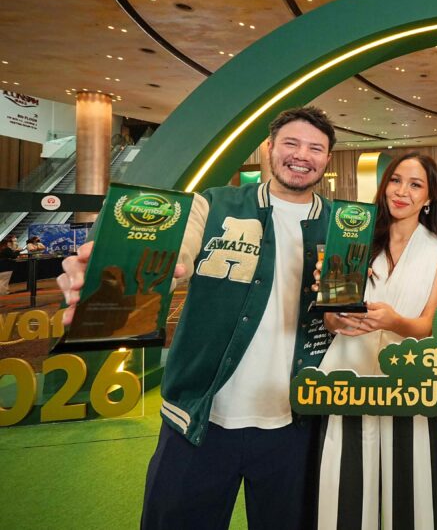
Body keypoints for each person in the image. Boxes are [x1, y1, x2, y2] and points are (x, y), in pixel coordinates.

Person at [58, 106, 335, 530]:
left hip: (297, 423)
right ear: (269, 148)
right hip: (198, 418)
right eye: (291, 143)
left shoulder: (341, 225)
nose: (302, 155)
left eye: (315, 148)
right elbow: (178, 249)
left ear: (327, 159)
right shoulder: (214, 203)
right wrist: (117, 273)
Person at [314, 151, 437, 529]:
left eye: (415, 185)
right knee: (346, 490)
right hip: (349, 377)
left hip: (409, 381)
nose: (402, 191)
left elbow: (429, 325)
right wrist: (336, 313)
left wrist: (395, 322)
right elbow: (330, 318)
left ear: (429, 197)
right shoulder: (355, 236)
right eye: (395, 180)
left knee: (412, 490)